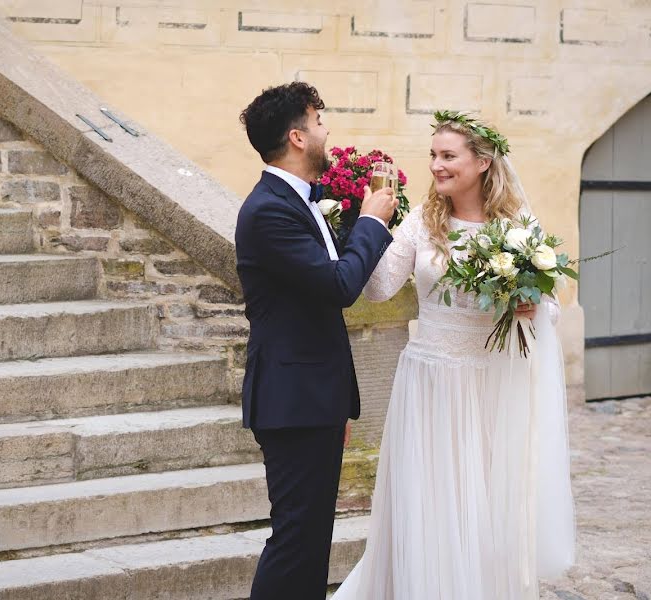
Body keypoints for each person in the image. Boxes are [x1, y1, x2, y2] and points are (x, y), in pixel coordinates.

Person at [333, 111, 576, 599]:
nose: (437, 166)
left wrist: (532, 304)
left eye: (448, 156)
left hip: (489, 384)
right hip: (429, 381)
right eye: (433, 156)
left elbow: (548, 309)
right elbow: (378, 289)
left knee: (483, 500)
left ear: (482, 162)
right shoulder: (424, 222)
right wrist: (362, 226)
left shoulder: (517, 225)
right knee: (429, 499)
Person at [235, 81, 399, 600]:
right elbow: (337, 287)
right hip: (292, 400)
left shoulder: (303, 201)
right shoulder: (268, 210)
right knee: (296, 541)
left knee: (309, 543)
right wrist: (373, 220)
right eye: (319, 122)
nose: (327, 132)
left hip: (311, 398)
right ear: (297, 136)